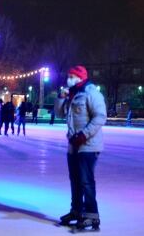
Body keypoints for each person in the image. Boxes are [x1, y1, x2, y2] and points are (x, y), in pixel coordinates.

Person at [54, 65, 105, 231]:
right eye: (68, 75)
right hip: (73, 145)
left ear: (80, 77)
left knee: (86, 181)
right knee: (75, 180)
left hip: (88, 145)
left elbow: (100, 116)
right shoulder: (72, 94)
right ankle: (76, 212)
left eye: (71, 76)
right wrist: (61, 97)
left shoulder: (91, 92)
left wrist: (84, 135)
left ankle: (91, 215)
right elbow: (60, 114)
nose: (68, 78)